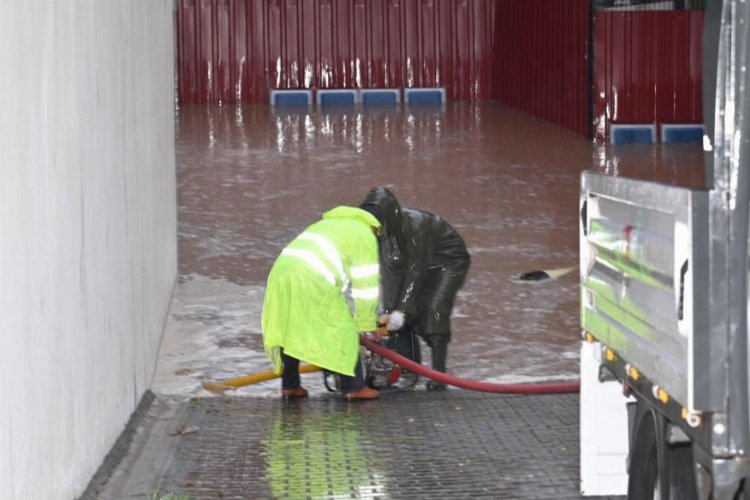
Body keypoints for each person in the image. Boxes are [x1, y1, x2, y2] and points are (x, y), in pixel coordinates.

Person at [262, 205, 384, 400]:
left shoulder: (326, 224)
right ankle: (354, 388)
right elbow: (366, 287)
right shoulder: (364, 234)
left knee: (289, 327)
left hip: (280, 274)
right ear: (375, 225)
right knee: (342, 329)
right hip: (311, 277)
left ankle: (290, 386)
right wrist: (367, 324)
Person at [361, 187, 471, 391]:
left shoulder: (415, 227)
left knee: (434, 310)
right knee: (396, 318)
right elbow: (390, 274)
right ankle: (408, 370)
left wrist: (402, 309)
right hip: (412, 265)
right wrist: (390, 312)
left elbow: (416, 271)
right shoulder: (380, 233)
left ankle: (439, 373)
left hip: (447, 261)